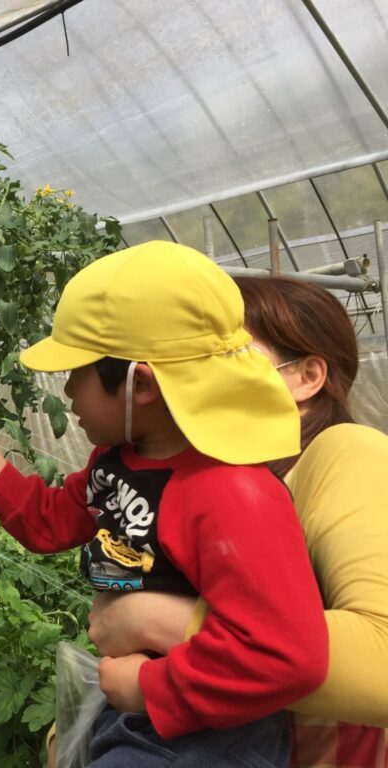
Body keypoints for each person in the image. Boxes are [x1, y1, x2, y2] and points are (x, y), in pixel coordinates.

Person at [0, 240, 329, 766]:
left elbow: (287, 656)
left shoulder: (230, 493)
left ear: (141, 385)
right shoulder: (117, 462)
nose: (69, 390)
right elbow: (50, 523)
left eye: (79, 372)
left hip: (208, 735)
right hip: (141, 709)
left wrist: (150, 685)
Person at [87, 274, 388, 766]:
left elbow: (382, 660)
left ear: (306, 377)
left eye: (227, 355)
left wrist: (154, 620)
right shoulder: (216, 477)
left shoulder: (344, 450)